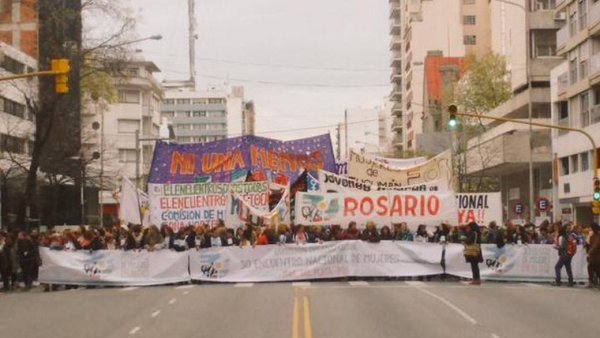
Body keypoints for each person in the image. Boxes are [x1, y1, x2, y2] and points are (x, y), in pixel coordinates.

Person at [586, 222, 600, 288]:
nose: (589, 229)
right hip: (594, 256)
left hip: (596, 255)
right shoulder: (592, 235)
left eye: (590, 227)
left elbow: (595, 245)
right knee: (593, 268)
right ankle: (592, 282)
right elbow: (588, 244)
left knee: (593, 268)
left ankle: (591, 282)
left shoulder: (597, 236)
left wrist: (590, 252)